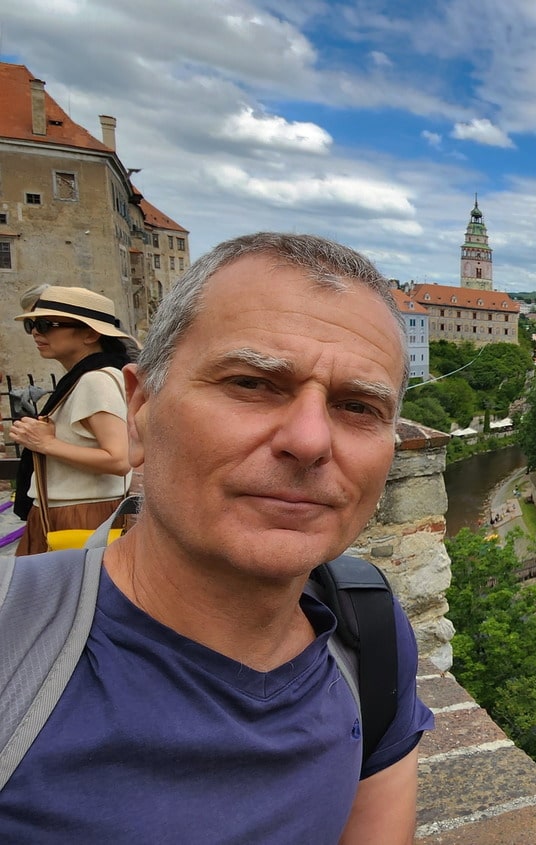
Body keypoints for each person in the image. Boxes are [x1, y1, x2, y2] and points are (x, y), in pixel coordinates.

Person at [0, 234, 434, 842]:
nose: (309, 441)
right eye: (252, 384)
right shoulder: (12, 636)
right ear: (141, 408)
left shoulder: (373, 639)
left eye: (358, 406)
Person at [8, 286, 134, 555]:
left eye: (46, 324)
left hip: (78, 516)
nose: (35, 333)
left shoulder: (94, 380)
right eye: (32, 324)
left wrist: (46, 443)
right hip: (72, 512)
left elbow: (119, 459)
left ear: (90, 333)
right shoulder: (85, 379)